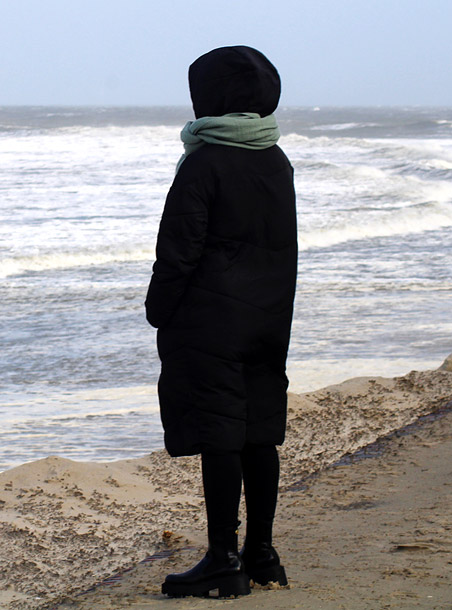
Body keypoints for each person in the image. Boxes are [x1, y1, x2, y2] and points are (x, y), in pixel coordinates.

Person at [145, 46, 297, 599]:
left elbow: (178, 250)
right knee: (258, 433)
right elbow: (280, 246)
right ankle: (262, 554)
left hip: (211, 320)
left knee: (221, 435)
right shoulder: (275, 158)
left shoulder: (205, 161)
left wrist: (158, 309)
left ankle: (222, 559)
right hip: (268, 318)